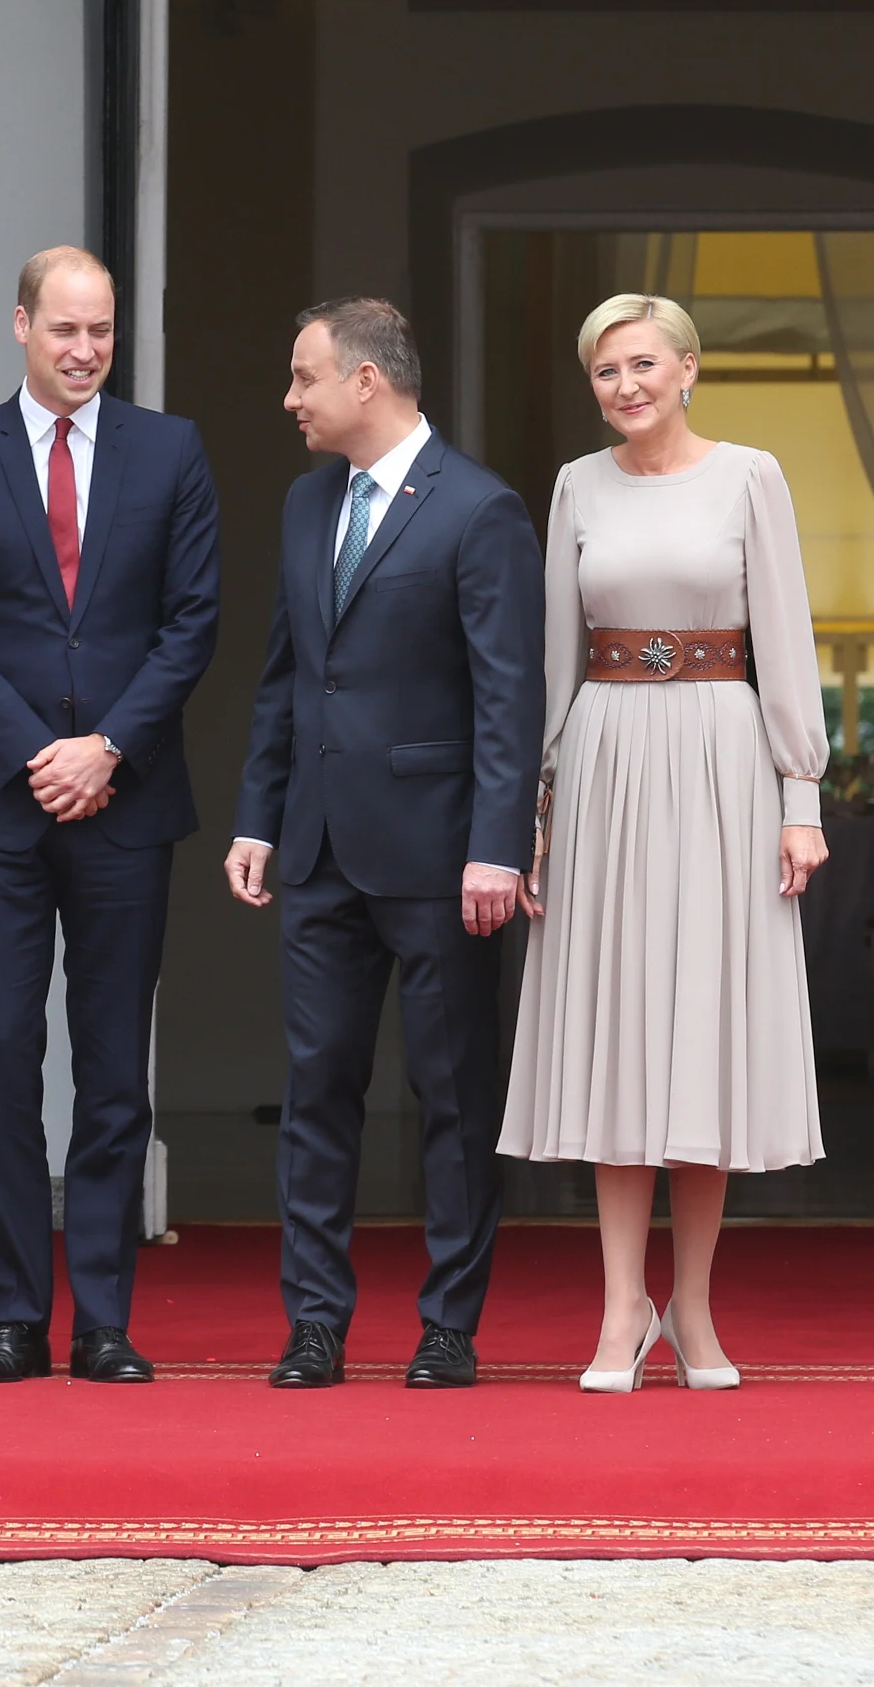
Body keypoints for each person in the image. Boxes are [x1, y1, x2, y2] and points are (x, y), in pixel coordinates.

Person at [500, 293, 829, 1392]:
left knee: (698, 1030)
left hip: (721, 760)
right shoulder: (573, 487)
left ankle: (689, 1307)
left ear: (687, 369)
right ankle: (616, 1311)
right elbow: (555, 655)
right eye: (604, 372)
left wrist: (801, 799)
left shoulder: (750, 476)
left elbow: (782, 640)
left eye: (642, 365)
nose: (624, 387)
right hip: (603, 762)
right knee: (618, 1030)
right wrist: (533, 816)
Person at [0, 246, 220, 1385]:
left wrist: (109, 749)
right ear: (21, 325)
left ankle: (102, 1322)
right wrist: (40, 753)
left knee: (109, 1069)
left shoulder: (169, 450)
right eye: (64, 330)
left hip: (126, 806)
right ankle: (9, 1319)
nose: (84, 351)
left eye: (101, 331)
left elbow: (191, 622)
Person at [227, 297, 544, 1389]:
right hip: (316, 850)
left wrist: (496, 846)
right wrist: (256, 816)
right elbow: (286, 675)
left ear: (365, 381)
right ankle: (315, 1322)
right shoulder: (306, 504)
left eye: (303, 376)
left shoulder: (479, 509)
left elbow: (509, 695)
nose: (289, 398)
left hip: (440, 853)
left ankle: (447, 1326)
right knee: (317, 1086)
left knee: (454, 1096)